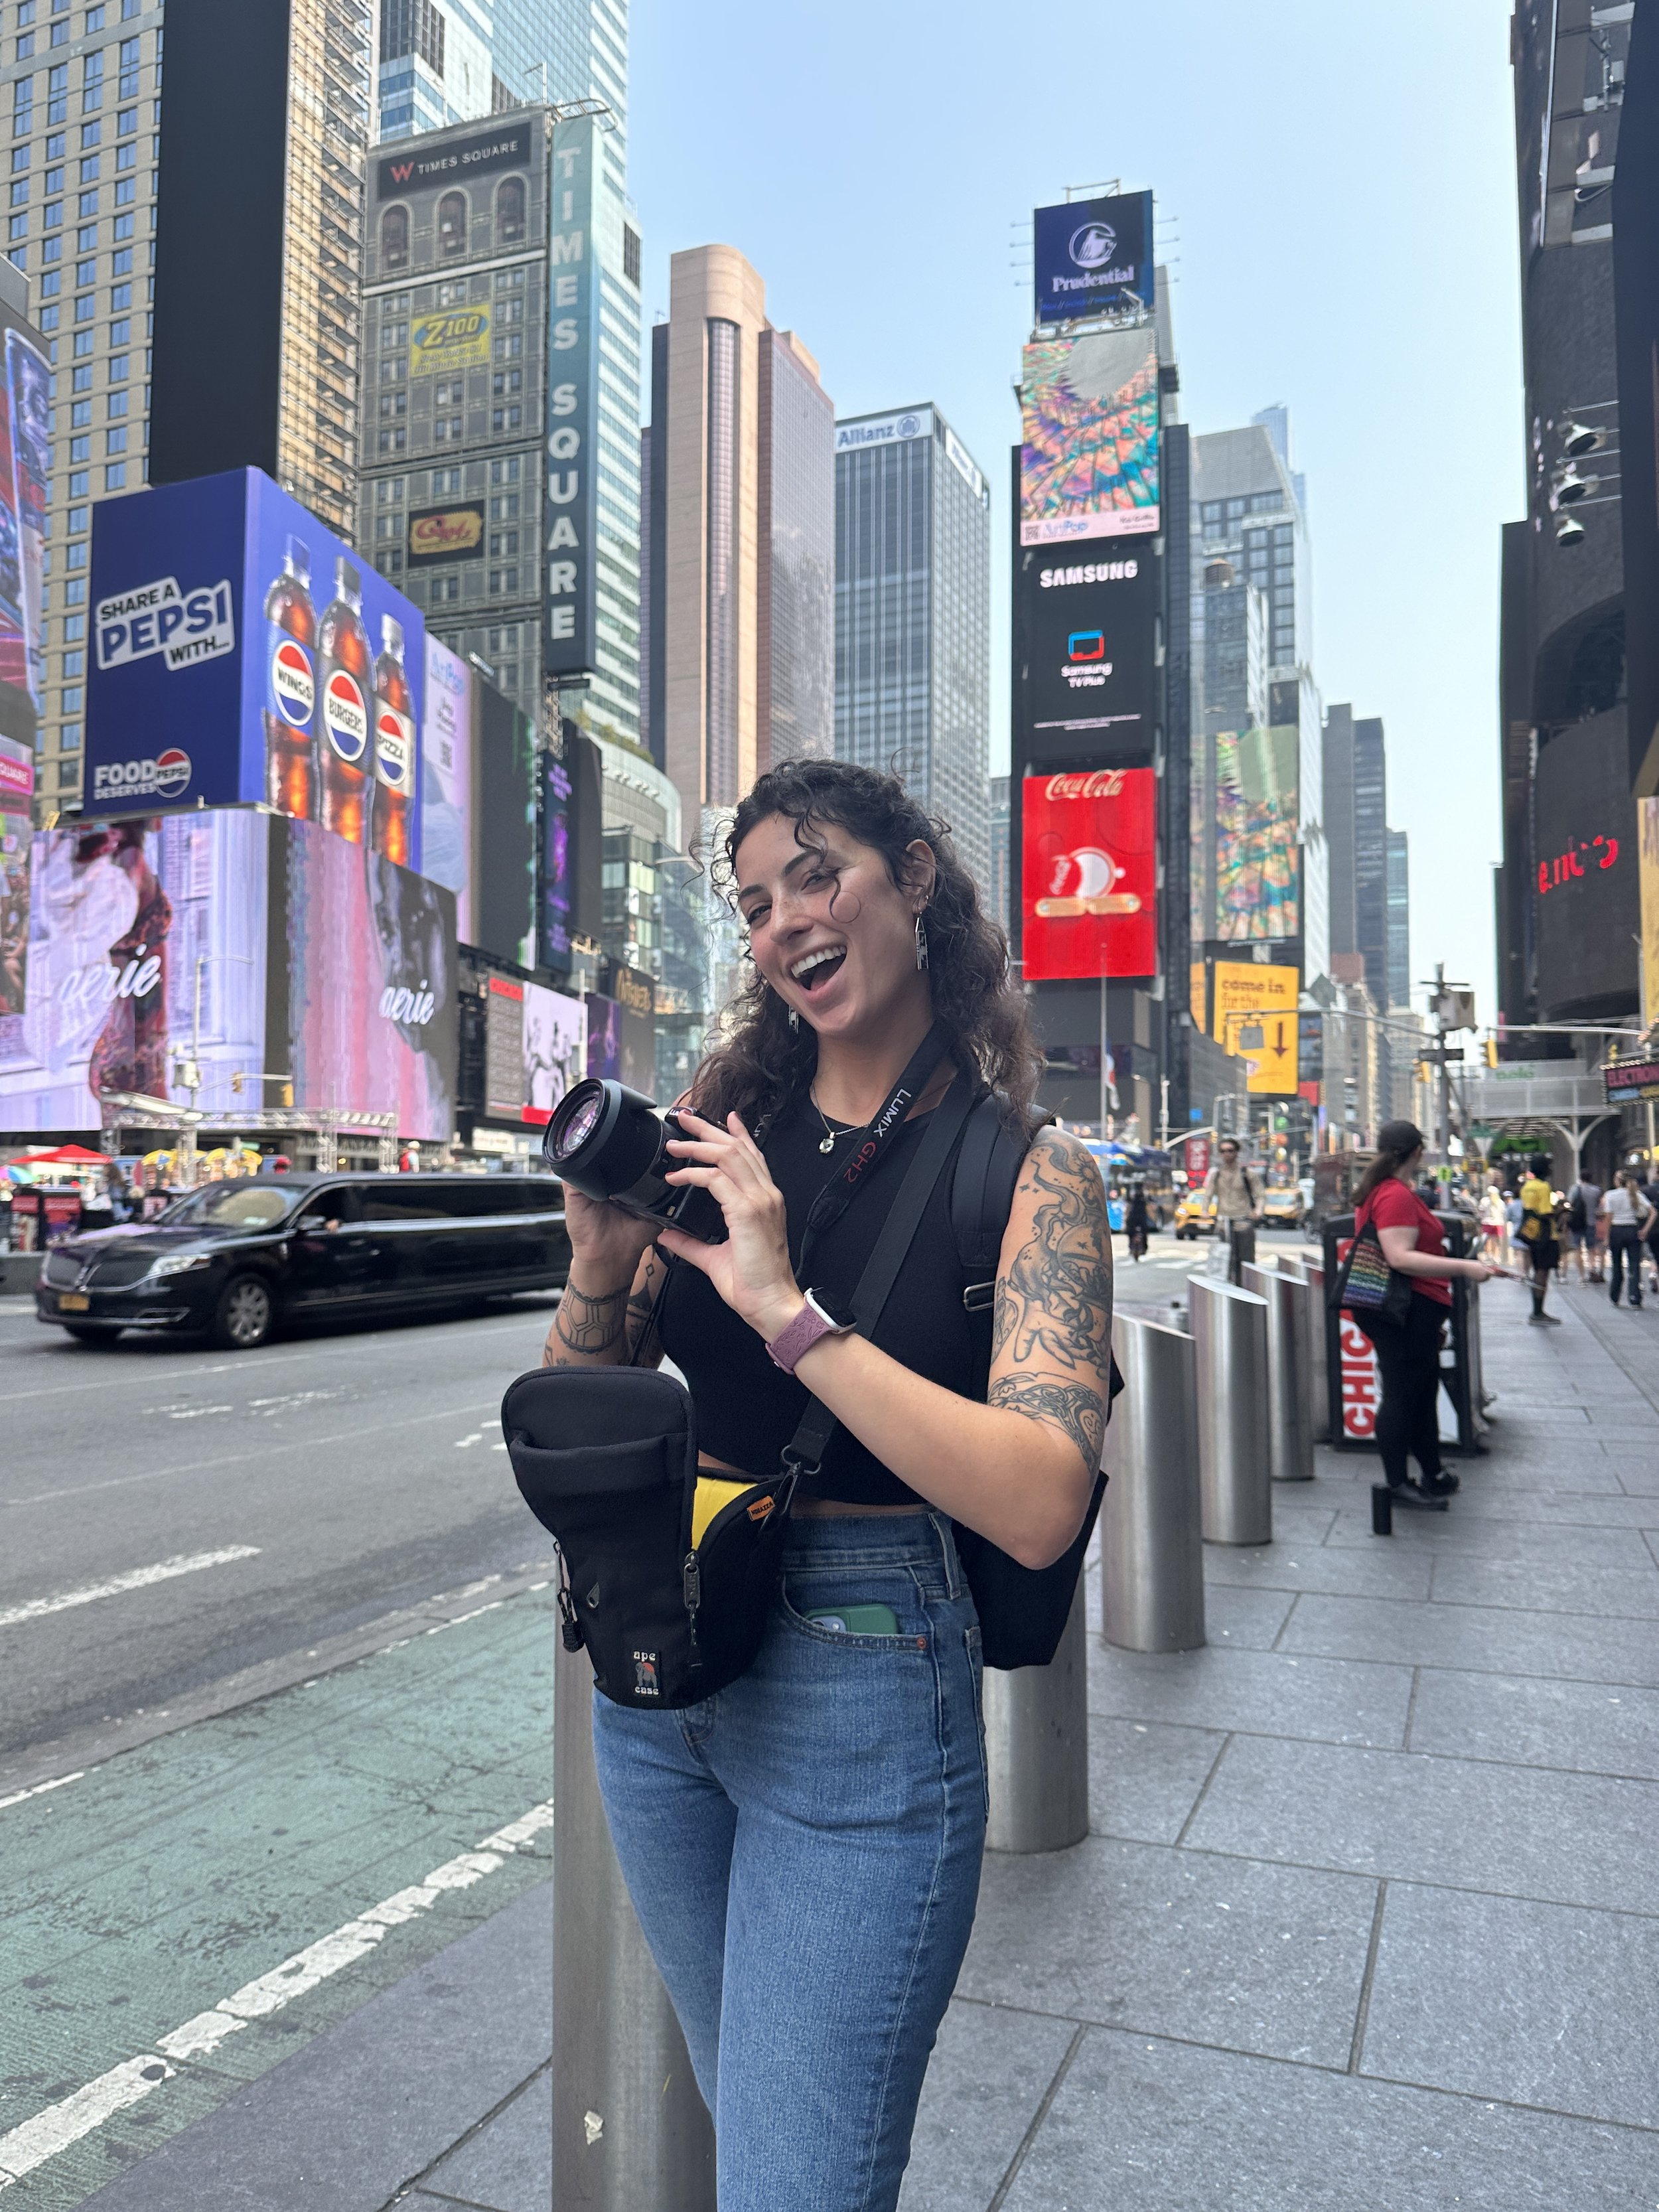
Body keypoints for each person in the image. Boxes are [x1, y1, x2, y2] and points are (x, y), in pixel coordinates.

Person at [540, 758, 1113, 2211]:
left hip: (867, 1685)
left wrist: (788, 1310)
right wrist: (598, 1275)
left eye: (815, 873)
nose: (784, 918)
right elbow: (599, 1397)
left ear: (913, 877)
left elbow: (1043, 1496)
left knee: (796, 2179)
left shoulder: (1029, 1170)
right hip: (664, 1680)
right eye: (752, 902)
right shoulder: (722, 1128)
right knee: (770, 2139)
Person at [1348, 1120, 1510, 1503]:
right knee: (1404, 1395)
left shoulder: (1385, 1191)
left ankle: (1431, 1473)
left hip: (1407, 1309)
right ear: (1418, 1152)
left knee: (1419, 1391)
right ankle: (1396, 1484)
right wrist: (1465, 1268)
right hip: (1404, 1309)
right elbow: (1399, 1257)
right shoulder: (1395, 1195)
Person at [1202, 1136, 1261, 1280]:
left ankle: (1246, 1292)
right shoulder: (1216, 1175)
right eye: (1222, 1151)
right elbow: (1207, 1195)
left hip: (1243, 1222)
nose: (1226, 1154)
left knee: (1246, 1262)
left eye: (1230, 1150)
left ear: (1236, 1152)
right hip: (1224, 1223)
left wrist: (1258, 1210)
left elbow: (1260, 1195)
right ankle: (1226, 1292)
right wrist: (1205, 1211)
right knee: (1223, 1261)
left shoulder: (1247, 1174)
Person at [1600, 1171, 1654, 1309]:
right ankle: (1635, 1298)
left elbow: (1608, 1217)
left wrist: (1606, 1237)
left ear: (1618, 1181)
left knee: (1616, 1265)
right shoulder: (1636, 1194)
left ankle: (1615, 1296)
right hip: (1632, 1230)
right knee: (1634, 1265)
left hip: (1616, 1231)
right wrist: (1645, 1230)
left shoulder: (1610, 1195)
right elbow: (1653, 1212)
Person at [1565, 1172, 1602, 1284]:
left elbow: (1569, 1204)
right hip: (1591, 1222)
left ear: (1580, 1178)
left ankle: (1581, 1276)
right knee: (1591, 1248)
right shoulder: (1597, 1190)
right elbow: (1599, 1206)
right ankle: (1592, 1269)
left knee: (1577, 1249)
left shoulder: (1574, 1189)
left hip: (1577, 1223)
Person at [1479, 1177, 1508, 1267]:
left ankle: (1489, 1256)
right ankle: (1496, 1257)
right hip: (1498, 1223)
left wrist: (1482, 1218)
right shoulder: (1500, 1202)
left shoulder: (1484, 1201)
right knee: (1496, 1241)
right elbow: (1504, 1213)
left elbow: (1480, 1211)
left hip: (1487, 1223)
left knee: (1487, 1241)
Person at [1125, 1179, 1151, 1262]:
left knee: (1141, 1232)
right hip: (1138, 1217)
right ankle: (1138, 1247)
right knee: (1134, 1232)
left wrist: (1126, 1216)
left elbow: (1128, 1207)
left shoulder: (1144, 1195)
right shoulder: (1135, 1195)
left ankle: (1141, 1248)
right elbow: (1128, 1206)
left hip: (1138, 1217)